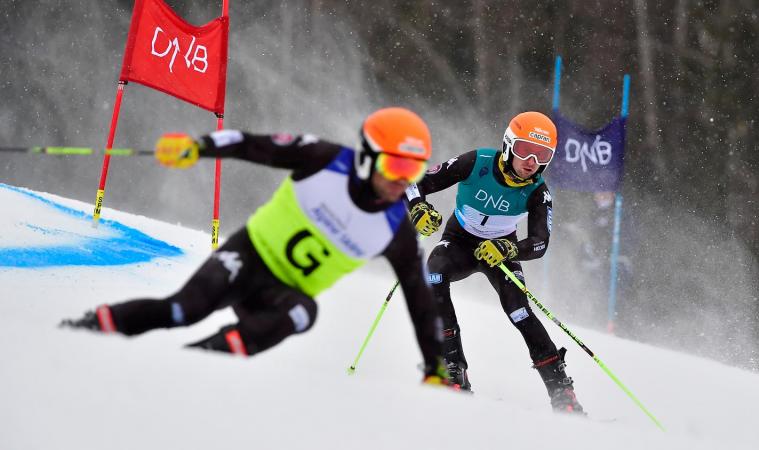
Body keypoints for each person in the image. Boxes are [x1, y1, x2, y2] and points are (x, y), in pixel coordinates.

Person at [61, 107, 452, 386]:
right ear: (367, 156)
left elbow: (420, 300)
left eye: (413, 171)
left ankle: (187, 369)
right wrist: (198, 146)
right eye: (395, 167)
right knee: (183, 310)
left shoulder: (396, 228)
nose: (402, 182)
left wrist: (435, 366)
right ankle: (84, 329)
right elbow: (250, 144)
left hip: (284, 294)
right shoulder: (324, 159)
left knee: (305, 313)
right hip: (248, 258)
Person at [406, 111, 584, 412]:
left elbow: (540, 243)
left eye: (543, 155)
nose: (532, 161)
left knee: (519, 313)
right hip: (459, 242)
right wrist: (418, 208)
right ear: (509, 145)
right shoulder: (477, 162)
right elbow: (416, 183)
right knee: (433, 274)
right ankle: (452, 369)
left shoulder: (538, 192)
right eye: (526, 150)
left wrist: (508, 249)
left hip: (500, 252)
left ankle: (561, 391)